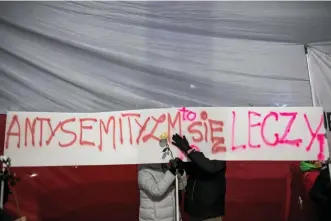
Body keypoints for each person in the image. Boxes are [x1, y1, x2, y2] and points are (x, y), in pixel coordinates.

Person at [171, 134, 226, 221]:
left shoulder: (221, 154)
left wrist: (189, 150)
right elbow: (195, 168)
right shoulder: (200, 157)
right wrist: (181, 164)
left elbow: (210, 167)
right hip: (195, 211)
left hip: (210, 214)